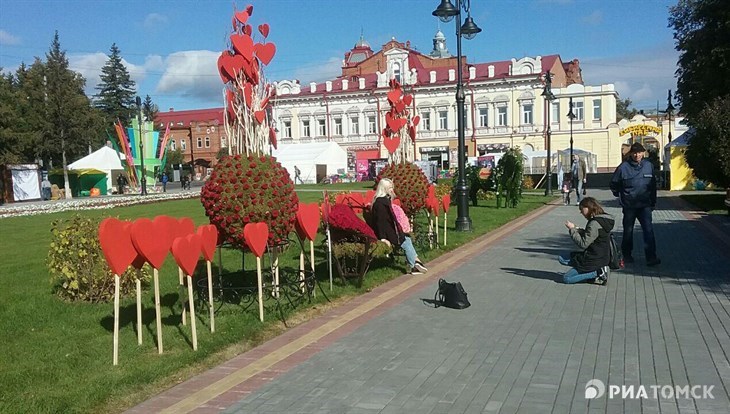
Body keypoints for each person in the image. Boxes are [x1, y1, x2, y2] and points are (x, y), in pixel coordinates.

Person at [610, 142, 660, 266]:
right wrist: (620, 196)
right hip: (629, 206)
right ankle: (627, 256)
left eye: (639, 152)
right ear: (631, 153)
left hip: (645, 206)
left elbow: (653, 186)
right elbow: (614, 184)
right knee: (628, 231)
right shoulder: (623, 167)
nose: (637, 155)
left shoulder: (649, 166)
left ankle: (651, 257)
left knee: (648, 231)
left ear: (643, 153)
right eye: (634, 153)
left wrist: (653, 202)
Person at [370, 178, 428, 275]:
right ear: (383, 189)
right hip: (387, 233)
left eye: (392, 187)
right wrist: (383, 238)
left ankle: (416, 263)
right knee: (405, 241)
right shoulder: (380, 204)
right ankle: (415, 264)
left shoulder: (384, 201)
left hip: (392, 231)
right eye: (389, 188)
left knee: (406, 239)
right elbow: (380, 222)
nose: (392, 189)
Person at [558, 197, 614, 285]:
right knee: (562, 258)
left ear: (588, 207)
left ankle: (598, 273)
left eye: (581, 209)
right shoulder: (603, 220)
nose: (581, 212)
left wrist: (572, 230)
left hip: (594, 259)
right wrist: (579, 230)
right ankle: (587, 272)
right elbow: (594, 235)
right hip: (602, 256)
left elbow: (583, 244)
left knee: (567, 278)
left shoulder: (594, 224)